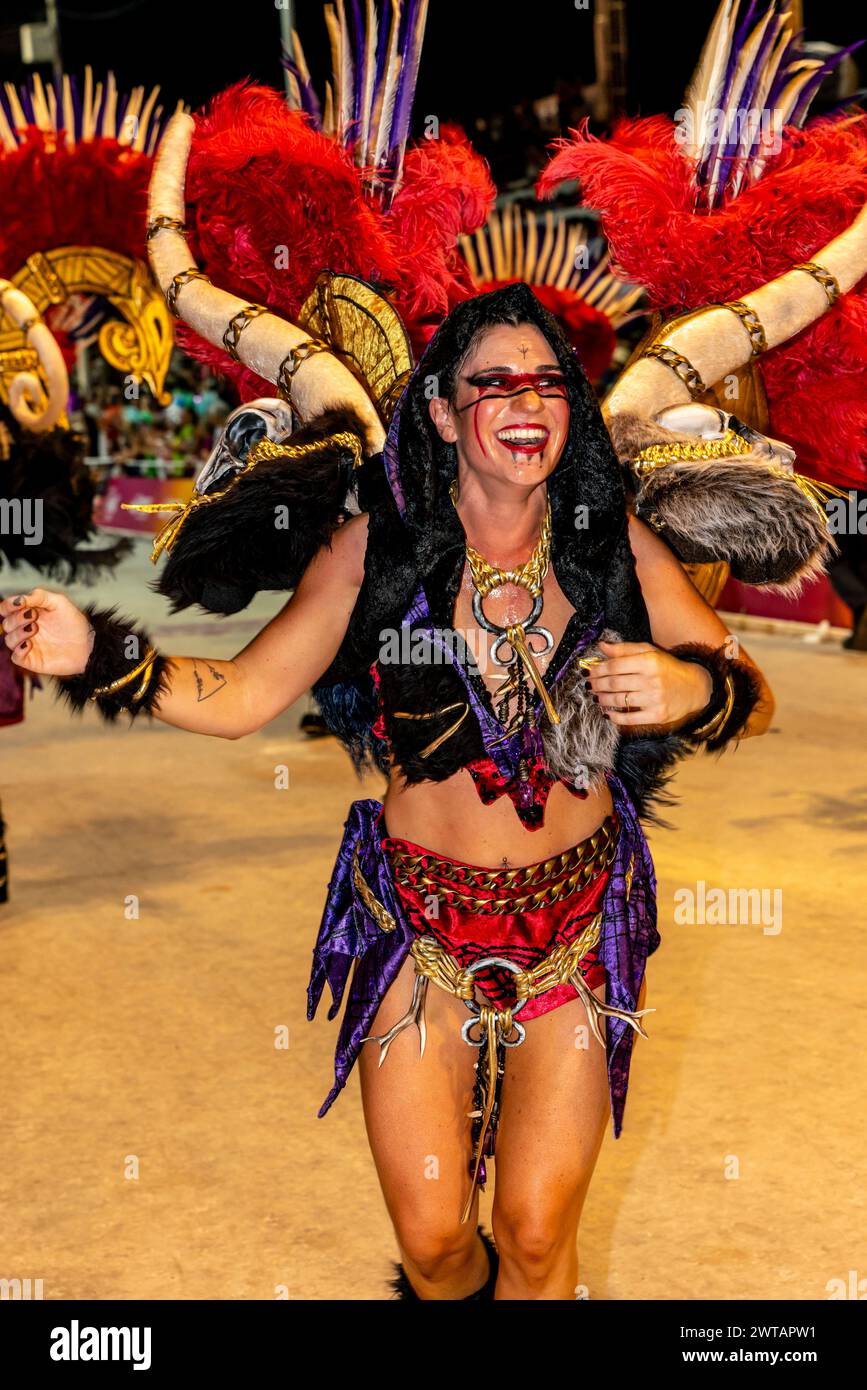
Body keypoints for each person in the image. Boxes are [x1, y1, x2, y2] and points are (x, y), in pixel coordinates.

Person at [1, 284, 774, 1300]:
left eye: (545, 381)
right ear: (445, 414)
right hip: (417, 928)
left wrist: (692, 685)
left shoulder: (613, 543)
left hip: (579, 932)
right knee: (435, 1241)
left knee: (538, 1236)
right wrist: (98, 652)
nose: (524, 403)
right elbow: (242, 693)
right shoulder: (374, 552)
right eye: (492, 383)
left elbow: (752, 695)